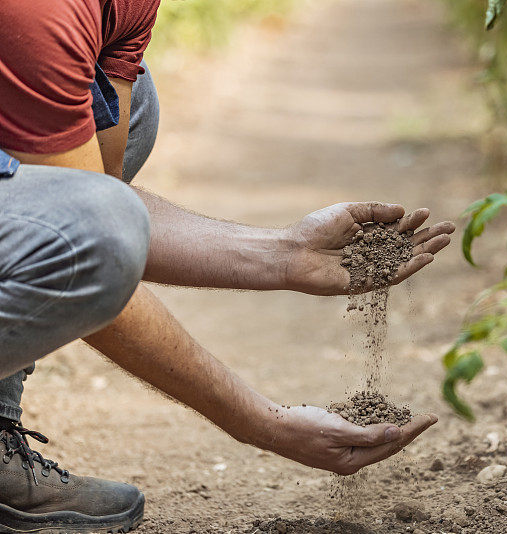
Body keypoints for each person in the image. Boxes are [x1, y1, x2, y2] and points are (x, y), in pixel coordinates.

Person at [0, 0, 455, 531]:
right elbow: (89, 238)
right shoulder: (42, 14)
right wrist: (263, 423)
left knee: (124, 102)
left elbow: (100, 192)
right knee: (89, 157)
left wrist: (285, 253)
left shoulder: (125, 8)